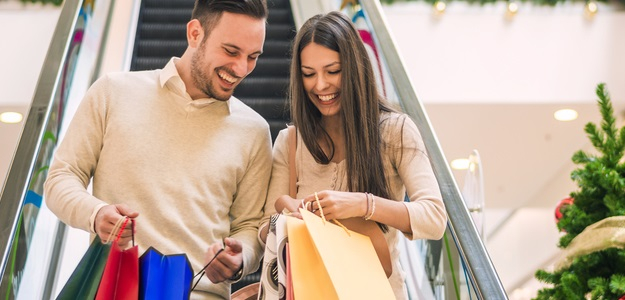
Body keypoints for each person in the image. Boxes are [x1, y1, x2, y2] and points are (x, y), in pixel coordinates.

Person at [44, 0, 272, 298]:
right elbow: (61, 177)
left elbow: (250, 226)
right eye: (231, 51)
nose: (241, 68)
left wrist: (240, 259)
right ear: (194, 33)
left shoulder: (254, 131)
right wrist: (97, 213)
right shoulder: (112, 92)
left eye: (253, 56)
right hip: (116, 288)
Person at [259, 11, 447, 299]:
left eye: (333, 71)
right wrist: (292, 216)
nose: (320, 85)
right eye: (309, 74)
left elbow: (434, 218)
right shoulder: (290, 141)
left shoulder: (396, 131)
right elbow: (265, 229)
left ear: (355, 68)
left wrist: (362, 204)